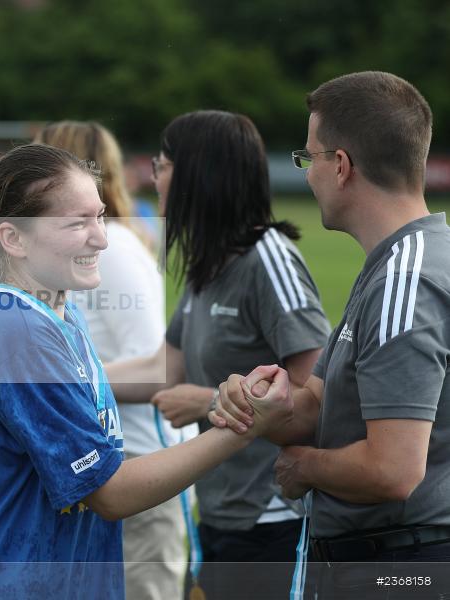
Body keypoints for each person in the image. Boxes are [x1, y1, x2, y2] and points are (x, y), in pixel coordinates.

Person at [0, 143, 297, 600]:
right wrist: (242, 426)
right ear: (13, 238)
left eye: (99, 216)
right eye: (76, 223)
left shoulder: (58, 314)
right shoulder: (17, 328)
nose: (101, 238)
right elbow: (109, 492)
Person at [214, 71, 450, 599]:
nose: (307, 174)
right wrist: (256, 405)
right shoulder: (395, 264)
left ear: (340, 166)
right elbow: (315, 404)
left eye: (308, 157)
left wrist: (305, 466)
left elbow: (393, 470)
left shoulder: (405, 283)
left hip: (400, 570)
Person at [105, 110, 331, 600]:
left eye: (162, 165)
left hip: (273, 520)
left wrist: (210, 402)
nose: (153, 178)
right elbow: (163, 370)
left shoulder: (268, 258)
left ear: (195, 174)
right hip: (221, 512)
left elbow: (318, 393)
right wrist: (63, 377)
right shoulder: (208, 263)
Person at [34, 120, 193, 600]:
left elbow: (156, 367)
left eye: (40, 158)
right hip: (103, 466)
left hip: (139, 466)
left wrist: (46, 384)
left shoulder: (116, 248)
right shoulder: (81, 251)